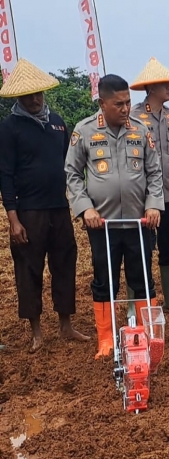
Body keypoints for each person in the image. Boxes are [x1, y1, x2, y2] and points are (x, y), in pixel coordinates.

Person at [65, 74, 164, 359]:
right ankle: (106, 340)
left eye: (128, 102)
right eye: (118, 104)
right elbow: (72, 174)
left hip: (139, 222)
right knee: (105, 280)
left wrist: (153, 204)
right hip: (103, 225)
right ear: (102, 103)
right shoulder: (84, 131)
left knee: (142, 278)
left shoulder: (140, 130)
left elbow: (154, 172)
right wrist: (86, 209)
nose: (125, 108)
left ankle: (148, 337)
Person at [0, 59, 90, 353]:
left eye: (39, 93)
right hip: (29, 210)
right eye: (29, 95)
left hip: (58, 207)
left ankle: (66, 324)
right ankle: (36, 330)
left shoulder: (58, 123)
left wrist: (78, 204)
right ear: (19, 98)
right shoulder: (10, 127)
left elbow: (71, 167)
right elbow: (6, 174)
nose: (35, 99)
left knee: (65, 262)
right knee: (29, 268)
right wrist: (13, 218)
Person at [128, 57, 169, 318]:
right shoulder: (133, 117)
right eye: (165, 85)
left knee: (168, 245)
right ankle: (135, 302)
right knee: (139, 248)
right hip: (143, 195)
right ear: (152, 88)